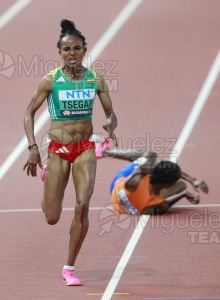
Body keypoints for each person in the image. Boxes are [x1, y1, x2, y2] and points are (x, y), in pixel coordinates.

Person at [23, 19, 117, 286]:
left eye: (76, 48)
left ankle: (69, 267)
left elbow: (112, 114)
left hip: (85, 147)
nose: (72, 53)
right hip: (58, 148)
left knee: (82, 205)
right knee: (52, 216)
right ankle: (48, 175)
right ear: (60, 53)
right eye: (66, 50)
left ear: (84, 49)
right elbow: (28, 113)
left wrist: (110, 125)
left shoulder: (95, 79)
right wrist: (32, 147)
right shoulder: (50, 81)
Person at [95, 141, 209, 215]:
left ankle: (105, 152)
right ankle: (105, 152)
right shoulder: (156, 202)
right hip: (125, 209)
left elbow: (153, 163)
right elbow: (163, 207)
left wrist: (191, 180)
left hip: (116, 191)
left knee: (150, 155)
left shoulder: (138, 178)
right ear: (167, 184)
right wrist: (184, 193)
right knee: (181, 186)